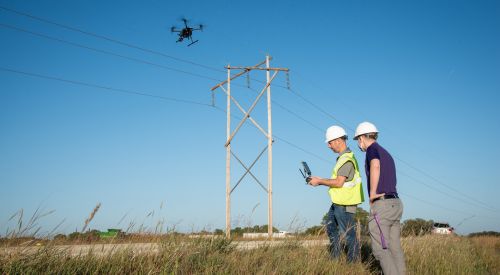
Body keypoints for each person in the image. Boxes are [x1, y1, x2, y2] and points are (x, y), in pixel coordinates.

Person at [354, 122, 406, 275]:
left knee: (380, 250)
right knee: (394, 249)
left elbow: (375, 165)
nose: (359, 143)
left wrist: (372, 194)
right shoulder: (386, 153)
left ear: (362, 138)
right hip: (396, 203)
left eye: (358, 139)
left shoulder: (372, 150)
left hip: (382, 205)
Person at [309, 125, 365, 263]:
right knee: (331, 228)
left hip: (345, 204)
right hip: (338, 202)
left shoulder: (347, 159)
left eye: (330, 142)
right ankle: (335, 258)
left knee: (349, 235)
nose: (328, 146)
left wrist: (319, 181)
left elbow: (339, 182)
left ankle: (353, 264)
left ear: (339, 140)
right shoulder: (342, 158)